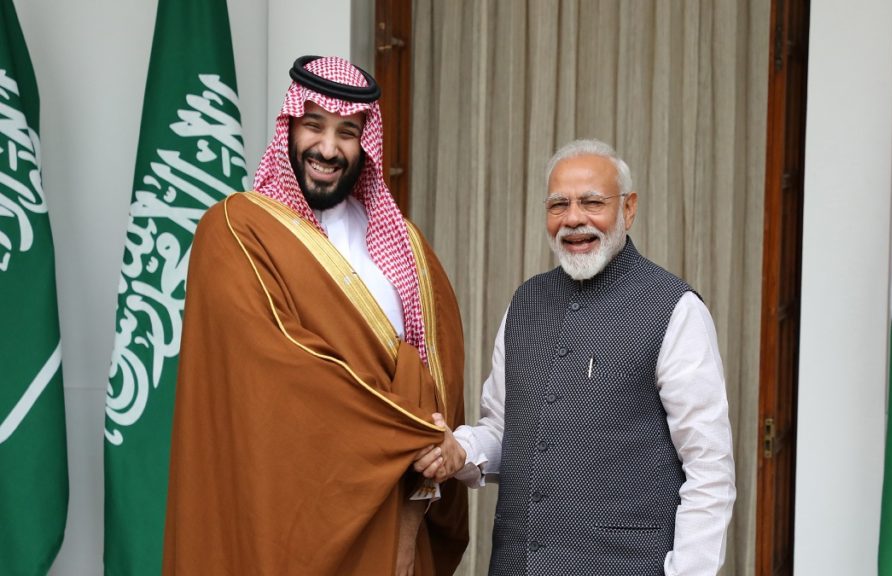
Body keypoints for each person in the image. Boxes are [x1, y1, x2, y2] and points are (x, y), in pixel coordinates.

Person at [163, 56, 467, 576]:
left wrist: (434, 448)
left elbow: (437, 365)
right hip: (287, 507)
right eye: (314, 126)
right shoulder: (236, 230)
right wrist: (413, 429)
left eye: (347, 132)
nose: (328, 148)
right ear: (289, 127)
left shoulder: (405, 245)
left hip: (396, 504)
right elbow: (282, 372)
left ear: (365, 144)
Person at [416, 139, 736, 576]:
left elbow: (709, 468)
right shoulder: (525, 302)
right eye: (558, 205)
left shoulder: (675, 309)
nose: (573, 219)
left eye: (592, 202)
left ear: (628, 209)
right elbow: (505, 430)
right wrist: (460, 451)